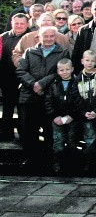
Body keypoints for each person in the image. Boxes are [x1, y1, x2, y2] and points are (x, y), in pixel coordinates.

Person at [16, 26, 71, 172]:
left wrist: (41, 84)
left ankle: (48, 162)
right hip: (28, 97)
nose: (48, 39)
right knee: (28, 131)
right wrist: (33, 84)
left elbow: (58, 73)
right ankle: (32, 161)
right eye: (45, 36)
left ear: (55, 37)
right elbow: (21, 70)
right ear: (38, 37)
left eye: (51, 36)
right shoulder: (29, 52)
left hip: (50, 97)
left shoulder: (63, 52)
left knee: (49, 131)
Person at [45, 58, 85, 174]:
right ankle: (57, 164)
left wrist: (72, 115)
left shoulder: (78, 82)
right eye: (62, 70)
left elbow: (80, 100)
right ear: (58, 71)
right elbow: (48, 101)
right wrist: (54, 116)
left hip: (72, 119)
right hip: (57, 119)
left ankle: (72, 165)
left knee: (72, 143)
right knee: (58, 143)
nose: (65, 72)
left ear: (72, 69)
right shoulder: (53, 84)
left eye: (67, 69)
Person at [0, 13, 31, 141]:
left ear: (27, 24)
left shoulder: (31, 37)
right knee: (7, 108)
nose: (19, 26)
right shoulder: (3, 37)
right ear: (12, 23)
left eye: (22, 23)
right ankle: (6, 134)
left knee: (24, 110)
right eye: (16, 23)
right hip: (7, 79)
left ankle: (24, 136)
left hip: (26, 80)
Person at [75, 50, 96, 174]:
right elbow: (76, 97)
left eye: (92, 61)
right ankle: (89, 164)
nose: (89, 63)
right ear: (82, 61)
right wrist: (84, 112)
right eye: (87, 60)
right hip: (86, 115)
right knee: (89, 139)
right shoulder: (78, 78)